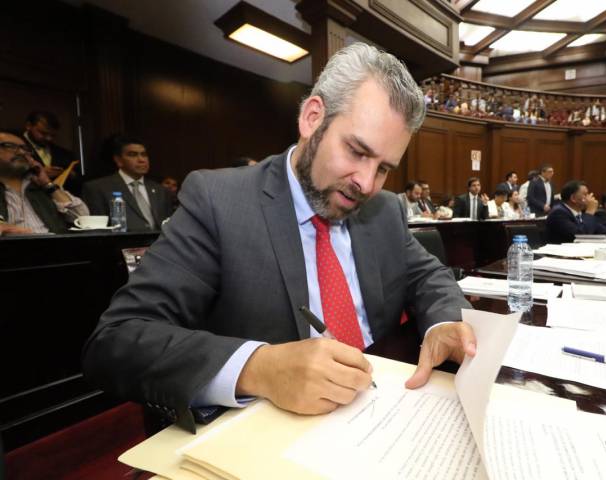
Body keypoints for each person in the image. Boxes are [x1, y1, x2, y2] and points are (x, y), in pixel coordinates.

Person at [82, 43, 476, 432]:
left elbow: (429, 277)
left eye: (384, 168)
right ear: (312, 117)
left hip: (384, 412)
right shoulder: (218, 201)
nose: (367, 183)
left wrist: (442, 323)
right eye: (357, 151)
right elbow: (117, 340)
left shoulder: (385, 209)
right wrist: (259, 368)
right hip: (271, 433)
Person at [0, 129, 88, 235]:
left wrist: (47, 183)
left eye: (25, 148)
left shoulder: (41, 185)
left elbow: (83, 218)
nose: (22, 152)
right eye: (10, 146)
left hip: (52, 243)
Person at [82, 135, 174, 231]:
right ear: (118, 160)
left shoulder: (160, 190)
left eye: (144, 155)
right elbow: (96, 229)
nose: (141, 160)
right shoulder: (97, 188)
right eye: (133, 155)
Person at [23, 111, 82, 195]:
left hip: (60, 198)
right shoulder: (14, 147)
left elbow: (79, 181)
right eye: (43, 133)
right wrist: (37, 173)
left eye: (53, 135)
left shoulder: (64, 153)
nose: (49, 138)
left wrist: (67, 173)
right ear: (28, 126)